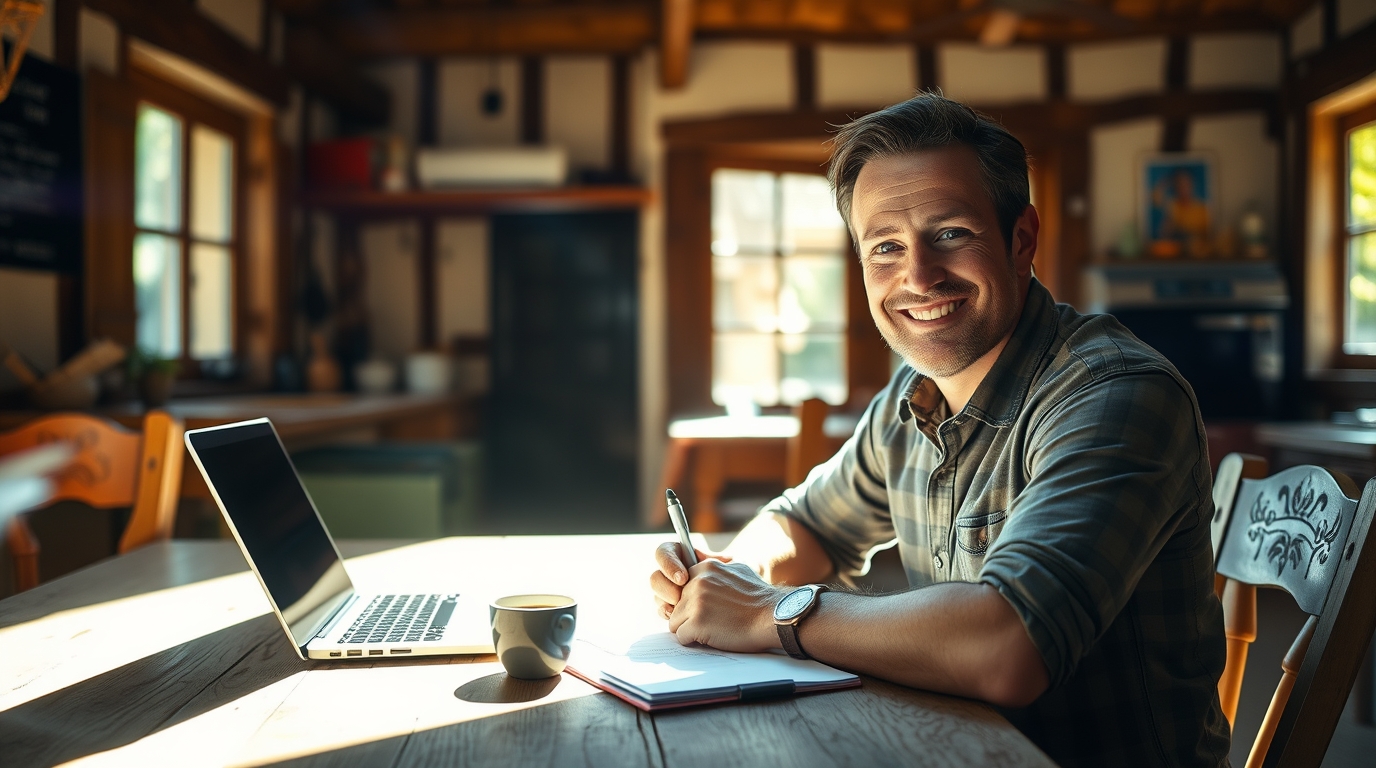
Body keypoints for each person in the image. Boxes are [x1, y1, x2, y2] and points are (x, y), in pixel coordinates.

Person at [649, 93, 1229, 768]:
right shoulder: (913, 393)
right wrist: (730, 579)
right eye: (886, 247)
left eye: (950, 233)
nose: (918, 277)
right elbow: (807, 524)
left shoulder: (1115, 396)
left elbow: (1010, 646)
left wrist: (767, 613)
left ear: (1021, 240)